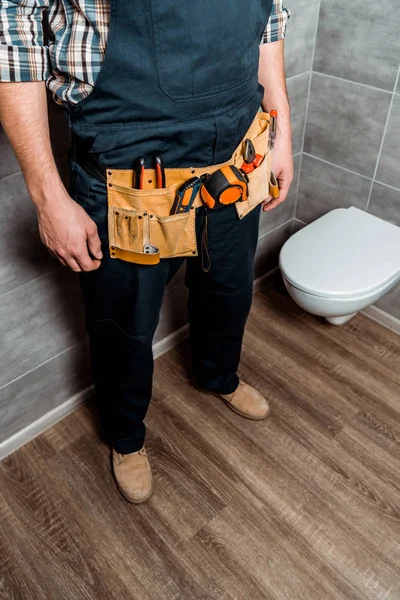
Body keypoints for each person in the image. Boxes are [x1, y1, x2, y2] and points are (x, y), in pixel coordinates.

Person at [0, 0, 292, 504]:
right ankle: (125, 436)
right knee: (123, 324)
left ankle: (218, 376)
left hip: (237, 162)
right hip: (125, 180)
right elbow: (12, 39)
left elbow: (269, 17)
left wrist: (281, 124)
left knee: (228, 289)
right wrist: (49, 198)